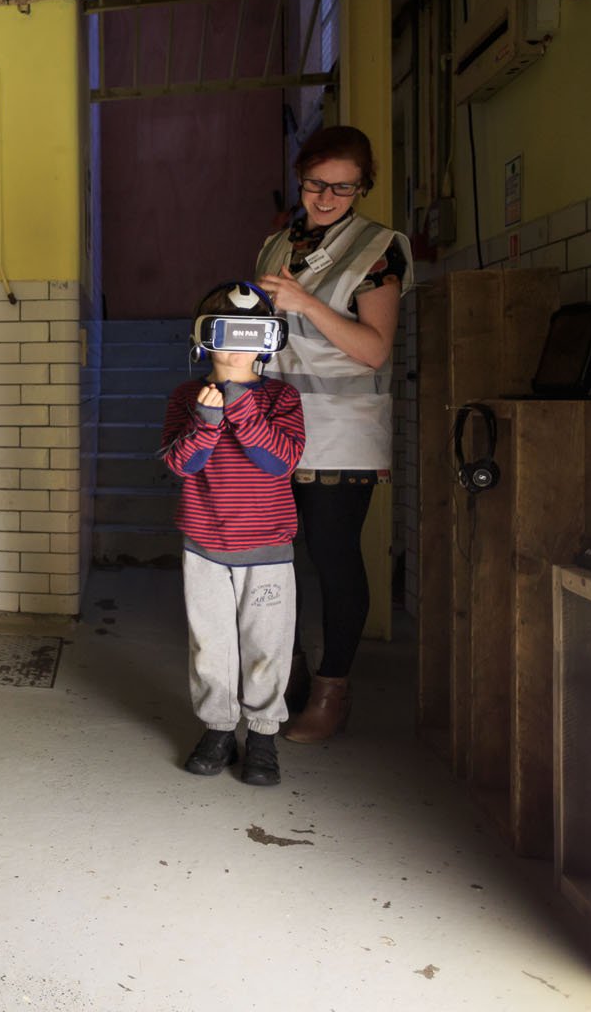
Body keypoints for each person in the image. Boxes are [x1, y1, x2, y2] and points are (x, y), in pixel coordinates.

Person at [255, 125, 414, 743]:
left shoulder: (378, 249)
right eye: (317, 183)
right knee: (275, 558)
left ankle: (332, 691)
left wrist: (307, 303)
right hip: (274, 425)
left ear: (362, 187)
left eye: (343, 188)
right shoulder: (275, 244)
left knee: (332, 555)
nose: (326, 197)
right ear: (300, 177)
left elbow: (374, 350)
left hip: (343, 433)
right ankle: (286, 677)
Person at [159, 281, 307, 785]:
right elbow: (183, 463)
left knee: (267, 644)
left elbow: (279, 461)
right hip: (203, 545)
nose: (238, 345)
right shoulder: (185, 397)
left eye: (251, 331)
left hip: (267, 548)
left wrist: (239, 406)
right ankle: (219, 728)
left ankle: (262, 735)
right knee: (210, 644)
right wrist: (206, 419)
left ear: (267, 338)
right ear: (205, 336)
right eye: (228, 331)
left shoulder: (283, 397)